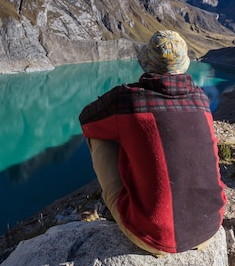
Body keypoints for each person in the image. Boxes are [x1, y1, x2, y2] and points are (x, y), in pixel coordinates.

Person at [79, 30, 226, 255]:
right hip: (210, 226)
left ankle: (126, 207)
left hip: (154, 236)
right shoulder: (200, 99)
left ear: (148, 63)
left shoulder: (127, 99)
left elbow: (86, 119)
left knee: (98, 133)